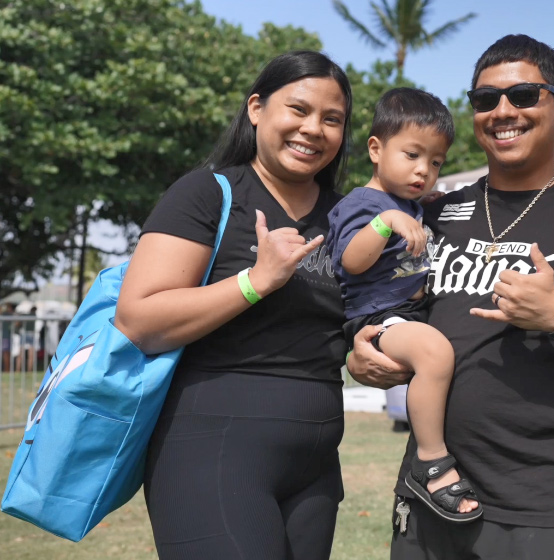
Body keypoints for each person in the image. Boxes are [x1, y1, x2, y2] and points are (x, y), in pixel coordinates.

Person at [374, 34, 554, 560]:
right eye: (486, 100)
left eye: (524, 95)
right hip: (432, 499)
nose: (503, 111)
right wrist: (365, 351)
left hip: (549, 513)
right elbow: (386, 309)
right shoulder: (434, 214)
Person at [114, 50, 406, 560]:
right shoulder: (207, 193)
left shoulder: (349, 217)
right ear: (256, 108)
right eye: (298, 109)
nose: (313, 128)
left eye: (332, 119)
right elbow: (138, 319)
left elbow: (348, 318)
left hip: (315, 465)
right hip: (211, 450)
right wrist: (256, 281)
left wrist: (361, 350)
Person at [326, 88, 480, 522]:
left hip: (407, 313)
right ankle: (430, 461)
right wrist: (385, 222)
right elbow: (352, 261)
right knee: (434, 352)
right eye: (412, 155)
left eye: (436, 162)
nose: (423, 170)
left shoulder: (410, 205)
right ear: (376, 149)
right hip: (378, 316)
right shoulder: (364, 204)